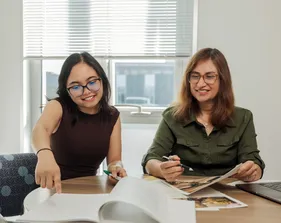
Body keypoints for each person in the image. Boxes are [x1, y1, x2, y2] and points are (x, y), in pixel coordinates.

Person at [142, 48, 265, 183]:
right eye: (195, 76)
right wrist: (161, 169)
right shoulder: (172, 116)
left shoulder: (244, 117)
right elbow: (151, 159)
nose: (200, 84)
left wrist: (253, 171)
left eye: (209, 76)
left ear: (223, 79)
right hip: (183, 194)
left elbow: (254, 162)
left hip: (228, 194)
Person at [32, 52, 127, 193]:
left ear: (102, 80)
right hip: (54, 190)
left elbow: (114, 160)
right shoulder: (58, 106)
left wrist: (116, 168)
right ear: (67, 90)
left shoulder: (112, 115)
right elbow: (41, 129)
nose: (86, 91)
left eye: (92, 82)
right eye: (76, 87)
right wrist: (44, 154)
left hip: (91, 190)